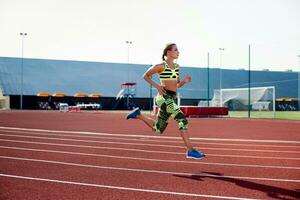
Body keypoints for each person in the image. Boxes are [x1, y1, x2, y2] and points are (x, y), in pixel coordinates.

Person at [126, 43, 205, 159]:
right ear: (168, 52)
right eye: (176, 50)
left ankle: (139, 115)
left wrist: (185, 81)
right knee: (182, 119)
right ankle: (190, 150)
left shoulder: (177, 67)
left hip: (172, 98)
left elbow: (177, 85)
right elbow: (145, 76)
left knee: (159, 129)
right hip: (164, 97)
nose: (178, 52)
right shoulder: (161, 66)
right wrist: (157, 86)